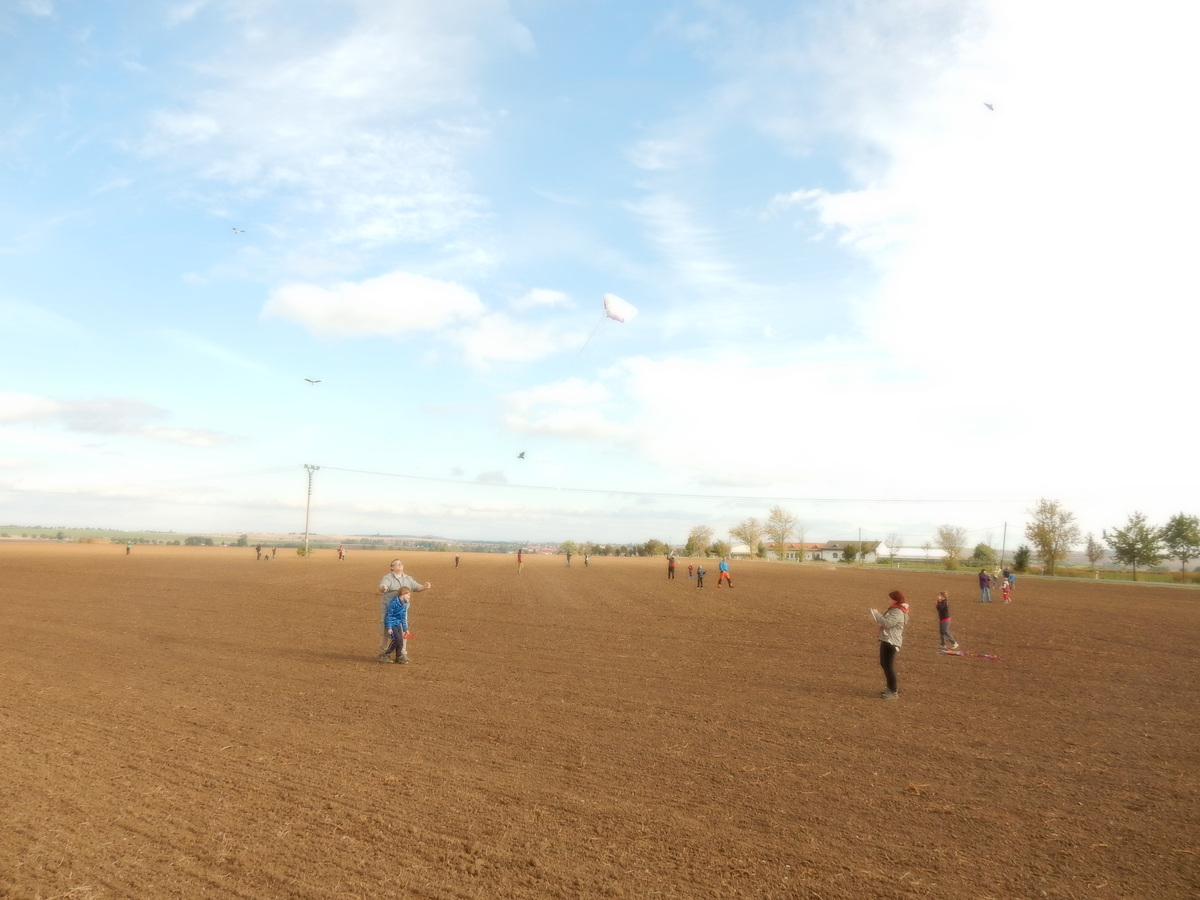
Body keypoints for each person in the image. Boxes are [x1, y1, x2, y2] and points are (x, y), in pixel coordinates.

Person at [377, 559, 431, 662]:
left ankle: (401, 654)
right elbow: (382, 586)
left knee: (403, 632)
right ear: (392, 567)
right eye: (396, 563)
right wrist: (383, 587)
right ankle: (383, 654)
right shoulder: (388, 578)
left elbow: (416, 587)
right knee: (386, 632)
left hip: (402, 611)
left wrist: (424, 586)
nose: (399, 564)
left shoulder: (408, 578)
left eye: (401, 563)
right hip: (389, 611)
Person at [872, 590, 909, 699]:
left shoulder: (897, 612)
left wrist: (877, 614)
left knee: (888, 666)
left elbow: (887, 623)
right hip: (886, 640)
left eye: (890, 598)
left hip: (891, 642)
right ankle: (890, 687)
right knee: (884, 664)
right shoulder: (893, 609)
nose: (888, 600)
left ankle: (893, 691)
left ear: (895, 600)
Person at [383, 587, 412, 664]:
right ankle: (386, 654)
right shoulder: (393, 603)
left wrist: (405, 629)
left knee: (400, 641)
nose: (409, 597)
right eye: (408, 595)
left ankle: (399, 656)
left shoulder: (405, 604)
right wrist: (389, 628)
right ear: (403, 594)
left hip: (398, 623)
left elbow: (403, 617)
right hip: (392, 623)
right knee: (397, 639)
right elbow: (388, 615)